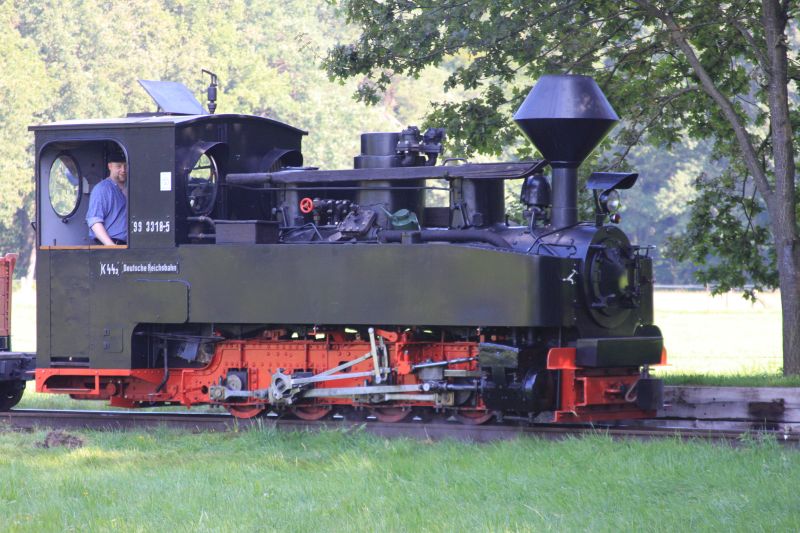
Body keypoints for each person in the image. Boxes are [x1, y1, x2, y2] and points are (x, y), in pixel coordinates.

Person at [86, 146, 128, 245]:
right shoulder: (102, 189)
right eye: (118, 166)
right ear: (110, 166)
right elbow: (94, 221)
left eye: (126, 166)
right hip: (112, 245)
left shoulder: (132, 187)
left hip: (130, 245)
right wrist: (111, 246)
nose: (123, 170)